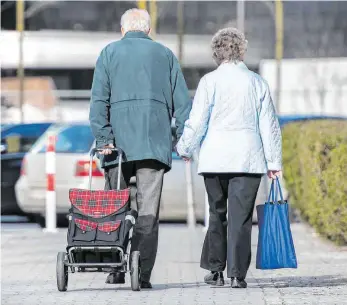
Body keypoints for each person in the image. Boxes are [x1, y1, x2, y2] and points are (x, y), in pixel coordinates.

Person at [89, 8, 191, 288]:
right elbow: (183, 104)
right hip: (153, 145)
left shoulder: (109, 53)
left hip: (116, 149)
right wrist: (182, 139)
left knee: (115, 206)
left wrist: (103, 138)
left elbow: (98, 101)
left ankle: (115, 268)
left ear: (123, 30)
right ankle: (142, 273)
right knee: (148, 210)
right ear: (148, 30)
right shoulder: (166, 55)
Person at [176, 27, 282, 288]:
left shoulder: (209, 82)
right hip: (248, 158)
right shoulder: (257, 82)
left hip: (215, 158)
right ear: (241, 50)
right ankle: (237, 274)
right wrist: (274, 162)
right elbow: (269, 125)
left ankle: (216, 271)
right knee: (241, 217)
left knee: (217, 213)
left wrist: (185, 147)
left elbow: (197, 119)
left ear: (216, 52)